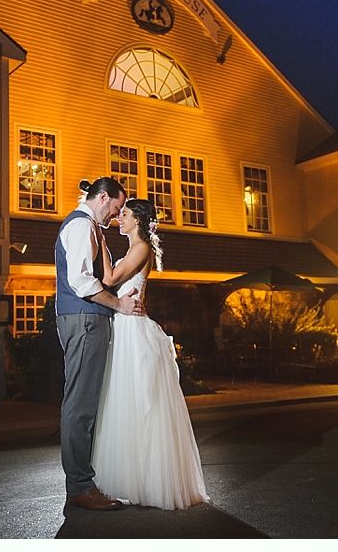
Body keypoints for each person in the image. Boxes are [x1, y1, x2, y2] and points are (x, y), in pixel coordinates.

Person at [92, 198, 209, 510]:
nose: (119, 218)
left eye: (125, 215)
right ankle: (131, 479)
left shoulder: (141, 247)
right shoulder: (133, 248)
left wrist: (99, 239)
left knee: (143, 404)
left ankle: (151, 480)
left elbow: (110, 279)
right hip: (124, 327)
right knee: (124, 403)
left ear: (139, 221)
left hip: (135, 331)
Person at [54, 177, 141, 512]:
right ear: (104, 198)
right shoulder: (80, 227)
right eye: (117, 207)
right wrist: (118, 305)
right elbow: (80, 281)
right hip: (85, 320)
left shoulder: (89, 226)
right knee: (81, 403)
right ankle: (79, 486)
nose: (117, 215)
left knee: (86, 400)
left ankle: (83, 481)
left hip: (86, 320)